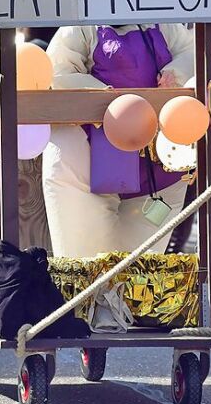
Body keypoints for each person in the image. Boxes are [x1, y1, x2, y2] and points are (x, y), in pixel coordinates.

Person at [42, 23, 194, 257]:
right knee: (85, 262)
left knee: (139, 272)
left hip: (158, 167)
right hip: (87, 161)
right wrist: (108, 98)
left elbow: (191, 53)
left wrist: (177, 73)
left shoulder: (162, 21)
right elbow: (58, 73)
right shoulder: (80, 25)